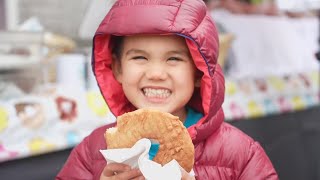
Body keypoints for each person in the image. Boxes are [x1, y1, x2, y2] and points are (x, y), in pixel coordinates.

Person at [57, 0, 278, 179]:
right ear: (117, 68)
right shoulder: (92, 150)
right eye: (140, 57)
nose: (156, 73)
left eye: (173, 58)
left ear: (199, 73)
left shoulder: (239, 154)